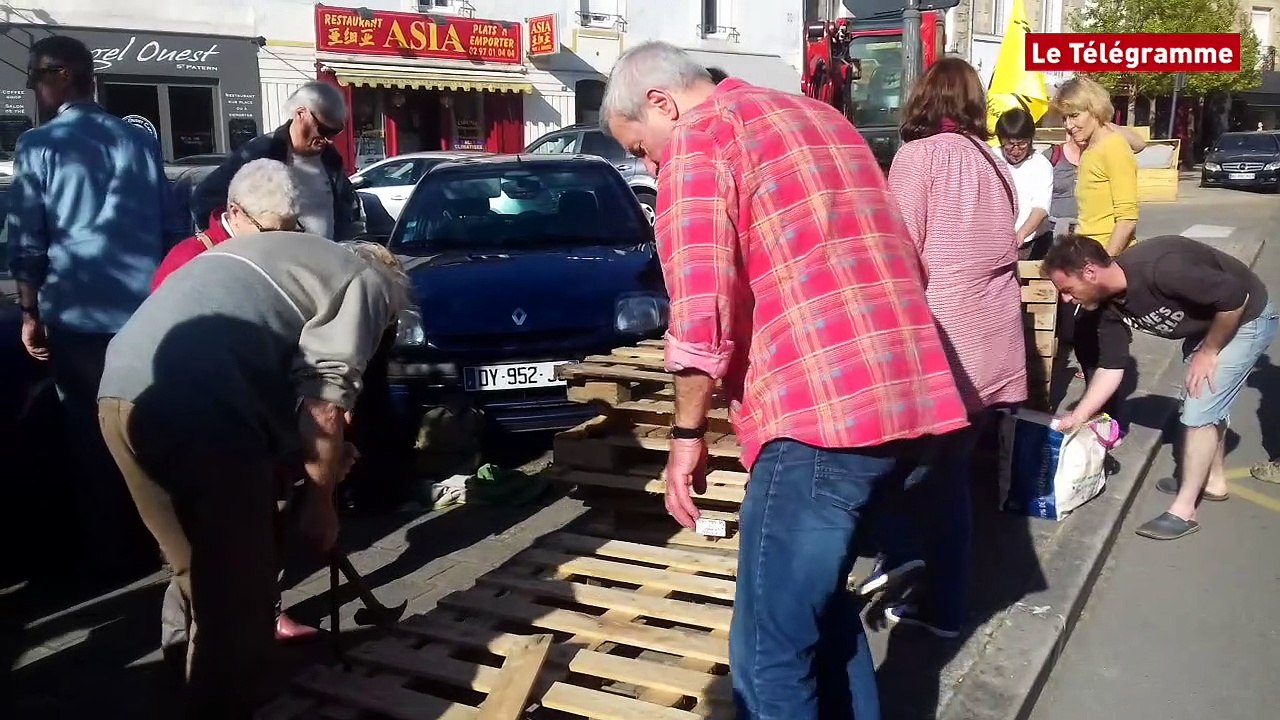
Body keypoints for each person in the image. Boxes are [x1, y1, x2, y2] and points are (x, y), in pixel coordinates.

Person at [600, 41, 970, 720]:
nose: (649, 164)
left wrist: (686, 437)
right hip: (914, 399)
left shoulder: (700, 140)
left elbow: (700, 303)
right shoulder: (820, 119)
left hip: (821, 419)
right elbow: (901, 256)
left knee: (768, 652)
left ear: (661, 103)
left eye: (639, 147)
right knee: (824, 616)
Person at [97, 234, 408, 718]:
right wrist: (322, 504)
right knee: (240, 600)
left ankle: (186, 686)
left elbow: (263, 374)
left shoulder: (283, 260)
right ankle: (225, 700)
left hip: (119, 393)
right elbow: (325, 402)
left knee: (195, 575)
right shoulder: (367, 281)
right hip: (201, 410)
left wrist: (322, 458)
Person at [5, 34, 186, 585]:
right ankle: (162, 540)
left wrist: (28, 310)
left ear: (62, 76)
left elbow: (26, 239)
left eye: (35, 76)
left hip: (78, 314)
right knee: (146, 425)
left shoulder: (38, 147)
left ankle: (111, 555)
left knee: (88, 433)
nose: (33, 88)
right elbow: (169, 225)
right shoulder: (138, 140)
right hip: (143, 311)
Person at [875, 58, 1027, 639]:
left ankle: (929, 591)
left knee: (915, 477)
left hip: (942, 341)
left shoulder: (918, 158)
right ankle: (941, 594)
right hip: (992, 343)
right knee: (950, 477)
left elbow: (900, 252)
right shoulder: (994, 162)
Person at [1043, 235, 1277, 541]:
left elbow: (1235, 297)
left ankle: (1185, 510)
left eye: (1067, 289)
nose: (1065, 299)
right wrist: (1079, 416)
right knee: (1201, 397)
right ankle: (1213, 481)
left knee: (1198, 407)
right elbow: (1112, 367)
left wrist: (1209, 352)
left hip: (1247, 317)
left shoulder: (1161, 268)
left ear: (1089, 272)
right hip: (1208, 323)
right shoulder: (1104, 306)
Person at [1052, 76, 1140, 432]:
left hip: (1102, 269)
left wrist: (1101, 268)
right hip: (1087, 263)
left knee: (1103, 351)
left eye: (1075, 116)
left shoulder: (1111, 149)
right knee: (1086, 345)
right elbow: (1142, 141)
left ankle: (1108, 425)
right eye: (1065, 118)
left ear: (1095, 110)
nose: (1069, 126)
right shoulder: (1099, 142)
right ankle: (1102, 420)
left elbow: (1127, 218)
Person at [191, 82, 363, 241]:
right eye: (324, 129)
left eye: (336, 131)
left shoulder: (331, 159)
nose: (329, 139)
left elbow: (348, 210)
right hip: (275, 264)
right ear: (301, 114)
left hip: (322, 263)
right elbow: (204, 200)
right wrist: (233, 244)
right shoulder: (260, 152)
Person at [994, 108, 1054, 260]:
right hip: (995, 241)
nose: (1015, 150)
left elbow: (1040, 209)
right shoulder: (991, 158)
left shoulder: (1041, 165)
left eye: (1021, 144)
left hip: (1030, 243)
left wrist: (1020, 235)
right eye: (1009, 144)